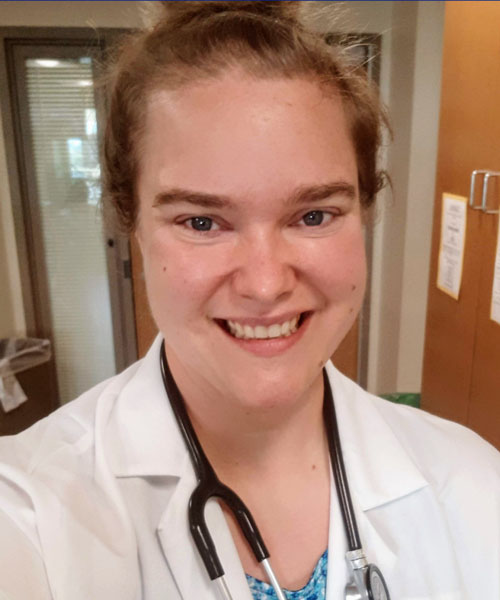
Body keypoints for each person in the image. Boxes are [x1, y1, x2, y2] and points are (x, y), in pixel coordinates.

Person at [0, 2, 499, 599]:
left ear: (365, 212)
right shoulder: (29, 513)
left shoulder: (474, 484)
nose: (265, 285)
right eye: (202, 222)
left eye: (313, 215)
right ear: (132, 224)